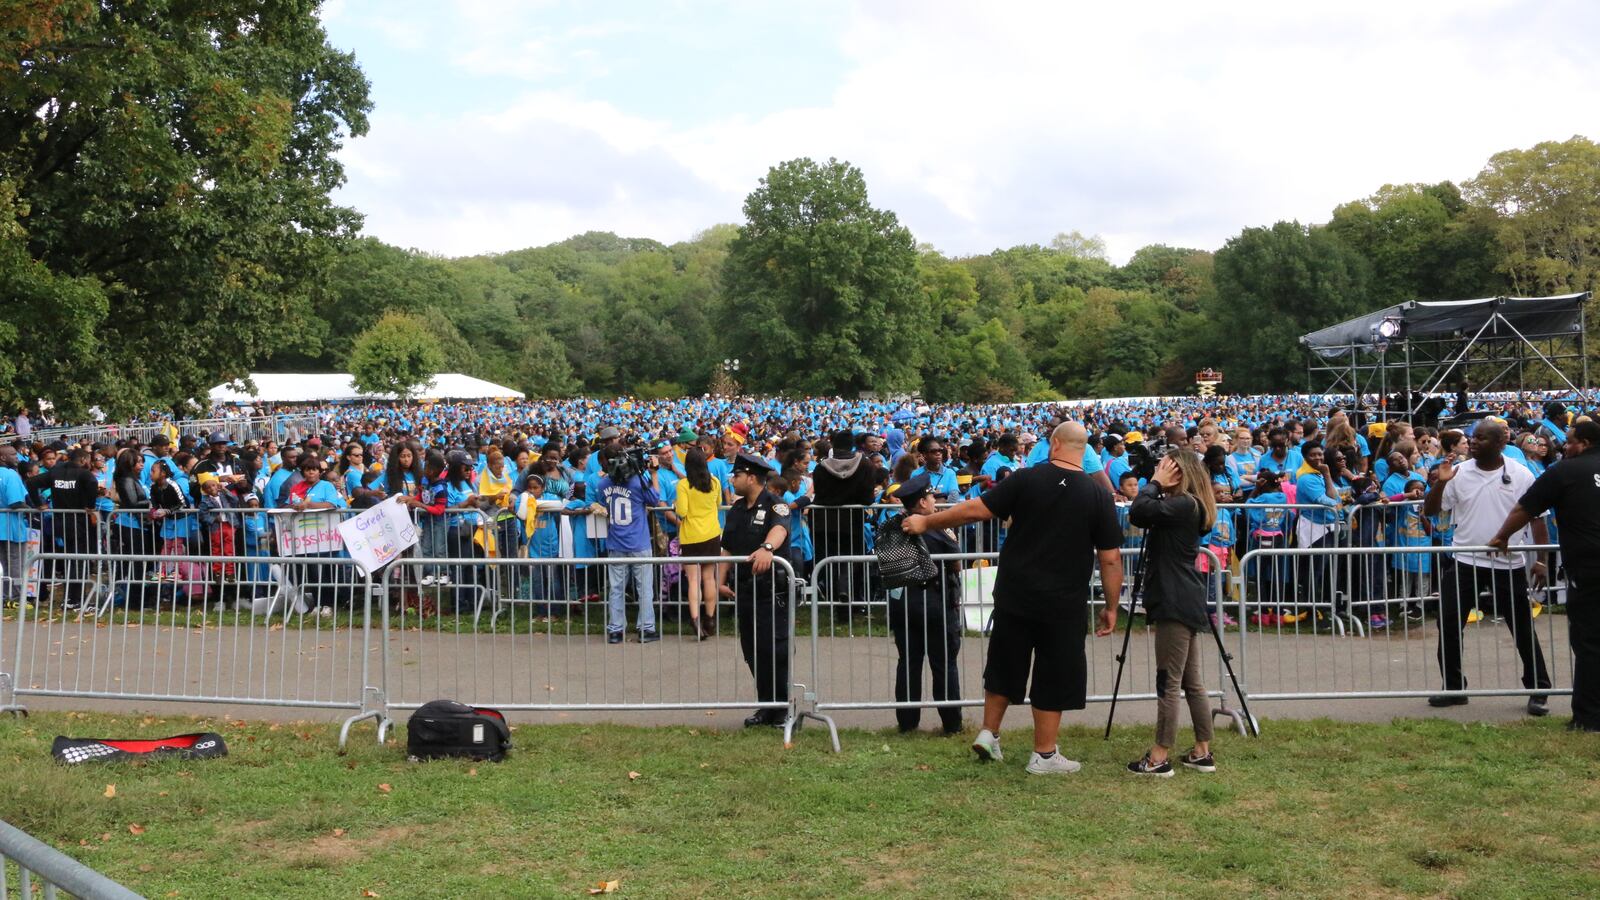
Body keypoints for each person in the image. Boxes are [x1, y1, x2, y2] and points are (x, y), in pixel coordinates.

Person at [902, 422, 1123, 775]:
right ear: (1087, 452)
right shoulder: (1097, 495)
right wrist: (1111, 607)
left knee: (1005, 662)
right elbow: (1110, 557)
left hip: (1015, 591)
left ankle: (990, 733)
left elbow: (976, 509)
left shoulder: (1026, 478)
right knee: (1055, 672)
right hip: (1063, 600)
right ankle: (1045, 754)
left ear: (1053, 444)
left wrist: (928, 523)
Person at [1422, 418, 1551, 714]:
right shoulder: (1457, 473)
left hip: (1509, 564)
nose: (1473, 442)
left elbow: (1537, 518)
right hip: (1465, 561)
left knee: (1521, 627)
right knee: (1449, 623)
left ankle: (1539, 688)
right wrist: (1440, 483)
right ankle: (1454, 688)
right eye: (1472, 438)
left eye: (1480, 438)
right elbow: (1430, 510)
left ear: (1499, 444)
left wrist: (1541, 559)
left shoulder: (1520, 474)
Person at [1487, 418, 1600, 732]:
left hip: (1589, 569)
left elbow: (1525, 508)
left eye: (1571, 440)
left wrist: (1501, 537)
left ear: (1585, 443)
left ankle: (1589, 718)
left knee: (1590, 642)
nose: (1565, 445)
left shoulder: (1563, 471)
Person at [1126, 451, 1219, 777]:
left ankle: (1158, 757)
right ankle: (1201, 751)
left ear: (1179, 473)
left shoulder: (1182, 504)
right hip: (1185, 596)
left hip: (1174, 599)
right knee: (1192, 682)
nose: (1159, 471)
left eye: (1166, 467)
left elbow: (1137, 512)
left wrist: (1153, 483)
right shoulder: (1190, 505)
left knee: (1168, 681)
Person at [886, 472, 964, 734]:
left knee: (908, 662)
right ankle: (952, 723)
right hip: (935, 602)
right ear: (921, 502)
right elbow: (955, 562)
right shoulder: (934, 528)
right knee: (943, 664)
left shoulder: (891, 527)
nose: (934, 501)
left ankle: (907, 724)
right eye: (931, 497)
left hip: (903, 604)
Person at [720, 452, 794, 727]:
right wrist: (719, 579)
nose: (733, 479)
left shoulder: (776, 505)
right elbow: (727, 546)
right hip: (745, 590)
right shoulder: (738, 509)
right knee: (752, 650)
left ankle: (785, 707)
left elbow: (780, 531)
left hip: (772, 591)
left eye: (737, 475)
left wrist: (767, 548)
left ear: (751, 477)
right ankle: (766, 706)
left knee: (775, 649)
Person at [597, 444, 662, 643]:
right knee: (644, 588)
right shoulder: (637, 481)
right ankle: (646, 628)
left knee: (616, 588)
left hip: (616, 541)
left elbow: (603, 501)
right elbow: (655, 498)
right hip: (639, 543)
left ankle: (616, 629)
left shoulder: (603, 484)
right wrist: (654, 474)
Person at [673, 447, 722, 640]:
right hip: (711, 533)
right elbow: (717, 504)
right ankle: (710, 618)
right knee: (709, 578)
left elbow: (682, 512)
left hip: (692, 535)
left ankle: (695, 619)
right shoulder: (715, 482)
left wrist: (676, 505)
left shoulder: (684, 485)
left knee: (693, 580)